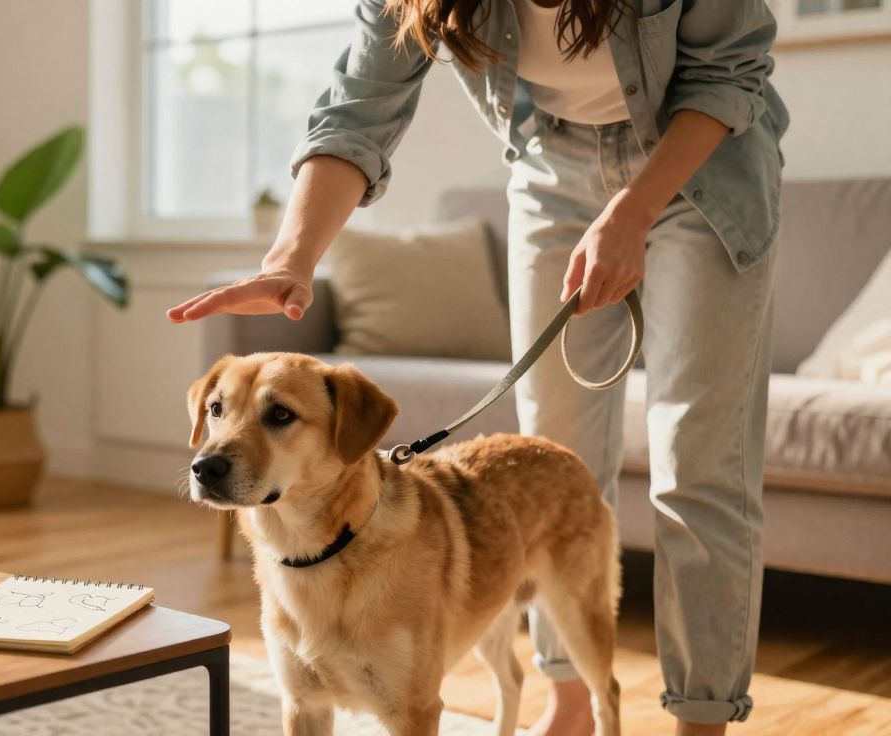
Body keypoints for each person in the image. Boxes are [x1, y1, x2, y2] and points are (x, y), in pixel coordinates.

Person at [168, 1, 787, 734]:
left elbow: (730, 71)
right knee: (561, 453)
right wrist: (290, 259)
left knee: (698, 467)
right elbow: (357, 109)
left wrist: (633, 212)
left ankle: (701, 723)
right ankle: (568, 709)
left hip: (702, 164)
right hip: (553, 166)